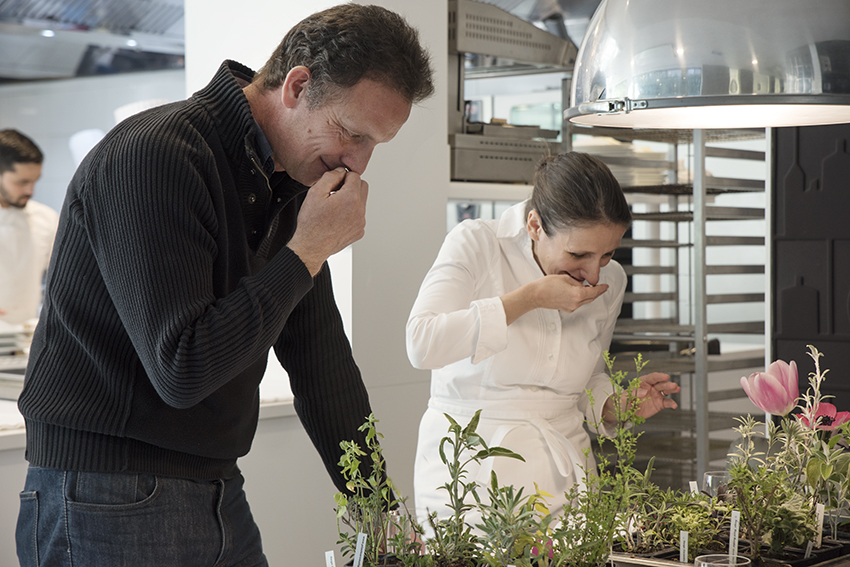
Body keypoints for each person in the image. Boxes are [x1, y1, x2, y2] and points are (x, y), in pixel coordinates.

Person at [16, 5, 434, 567]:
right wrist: (308, 250)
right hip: (105, 489)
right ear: (298, 85)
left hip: (211, 483)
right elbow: (182, 369)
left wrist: (378, 510)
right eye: (351, 133)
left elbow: (322, 363)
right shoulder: (156, 155)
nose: (357, 162)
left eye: (374, 145)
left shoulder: (285, 185)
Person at [406, 152, 680, 530]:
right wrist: (529, 298)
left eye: (607, 253)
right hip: (468, 475)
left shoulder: (610, 281)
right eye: (578, 253)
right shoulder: (477, 243)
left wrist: (615, 406)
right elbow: (422, 343)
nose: (592, 271)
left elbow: (585, 378)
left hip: (567, 478)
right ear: (535, 225)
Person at [0, 130, 59, 327]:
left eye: (35, 181)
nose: (30, 191)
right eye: (22, 182)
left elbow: (63, 280)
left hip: (25, 338)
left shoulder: (46, 218)